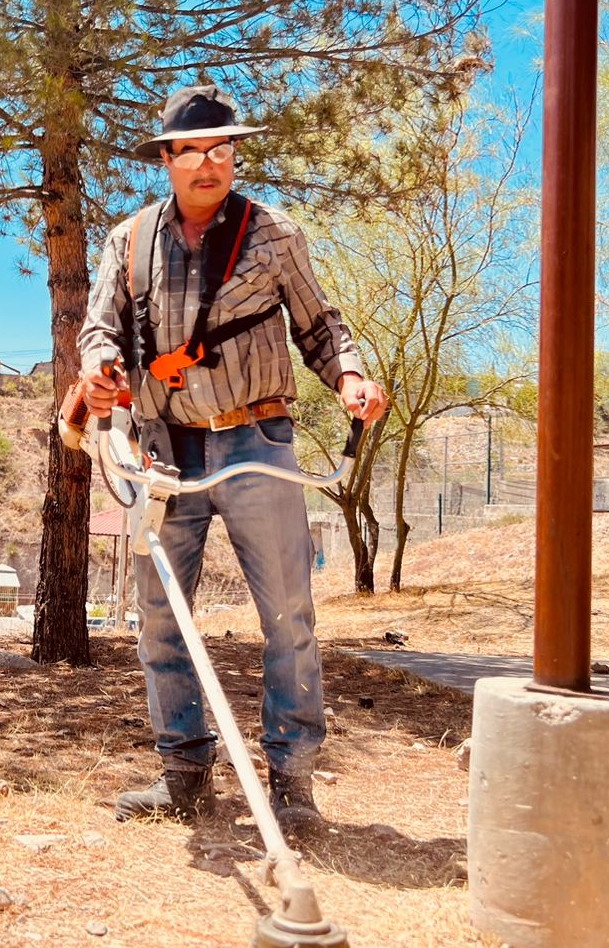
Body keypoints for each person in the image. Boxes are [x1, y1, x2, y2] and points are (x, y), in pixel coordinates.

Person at [76, 83, 388, 833]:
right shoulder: (128, 240)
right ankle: (182, 774)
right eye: (192, 151)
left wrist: (350, 377)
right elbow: (100, 332)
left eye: (222, 149)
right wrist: (99, 371)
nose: (209, 164)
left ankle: (292, 782)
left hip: (257, 442)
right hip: (163, 451)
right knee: (160, 618)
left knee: (288, 615)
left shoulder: (272, 232)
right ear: (167, 159)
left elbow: (321, 326)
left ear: (235, 154)